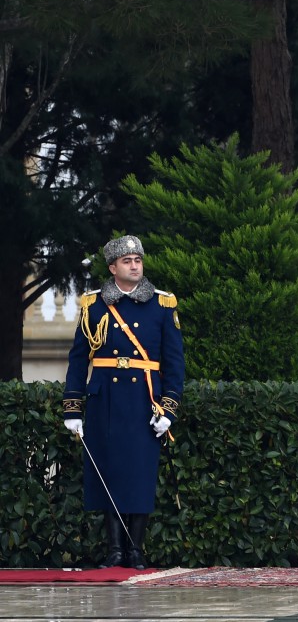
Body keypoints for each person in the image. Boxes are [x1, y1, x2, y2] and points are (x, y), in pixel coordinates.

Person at [63, 235, 185, 570]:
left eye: (138, 260)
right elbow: (78, 359)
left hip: (145, 401)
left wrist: (169, 409)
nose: (134, 266)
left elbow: (175, 363)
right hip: (105, 400)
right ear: (112, 267)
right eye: (127, 261)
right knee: (110, 473)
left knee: (140, 474)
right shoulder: (94, 304)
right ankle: (115, 550)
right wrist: (73, 406)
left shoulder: (162, 304)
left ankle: (136, 551)